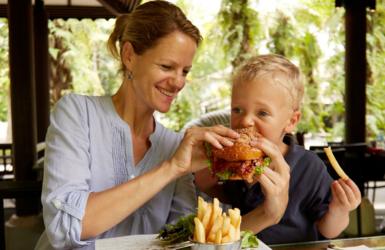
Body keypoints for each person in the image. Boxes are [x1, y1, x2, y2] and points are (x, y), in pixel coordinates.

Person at [35, 1, 240, 249]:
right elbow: (63, 227)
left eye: (185, 71)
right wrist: (170, 168)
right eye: (167, 66)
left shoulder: (176, 145)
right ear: (129, 56)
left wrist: (267, 212)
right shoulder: (77, 113)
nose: (178, 82)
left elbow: (183, 237)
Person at [194, 54, 362, 244]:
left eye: (262, 113)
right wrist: (209, 184)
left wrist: (340, 209)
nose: (246, 121)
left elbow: (328, 230)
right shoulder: (235, 159)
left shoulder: (309, 166)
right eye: (237, 110)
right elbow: (231, 200)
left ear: (291, 121)